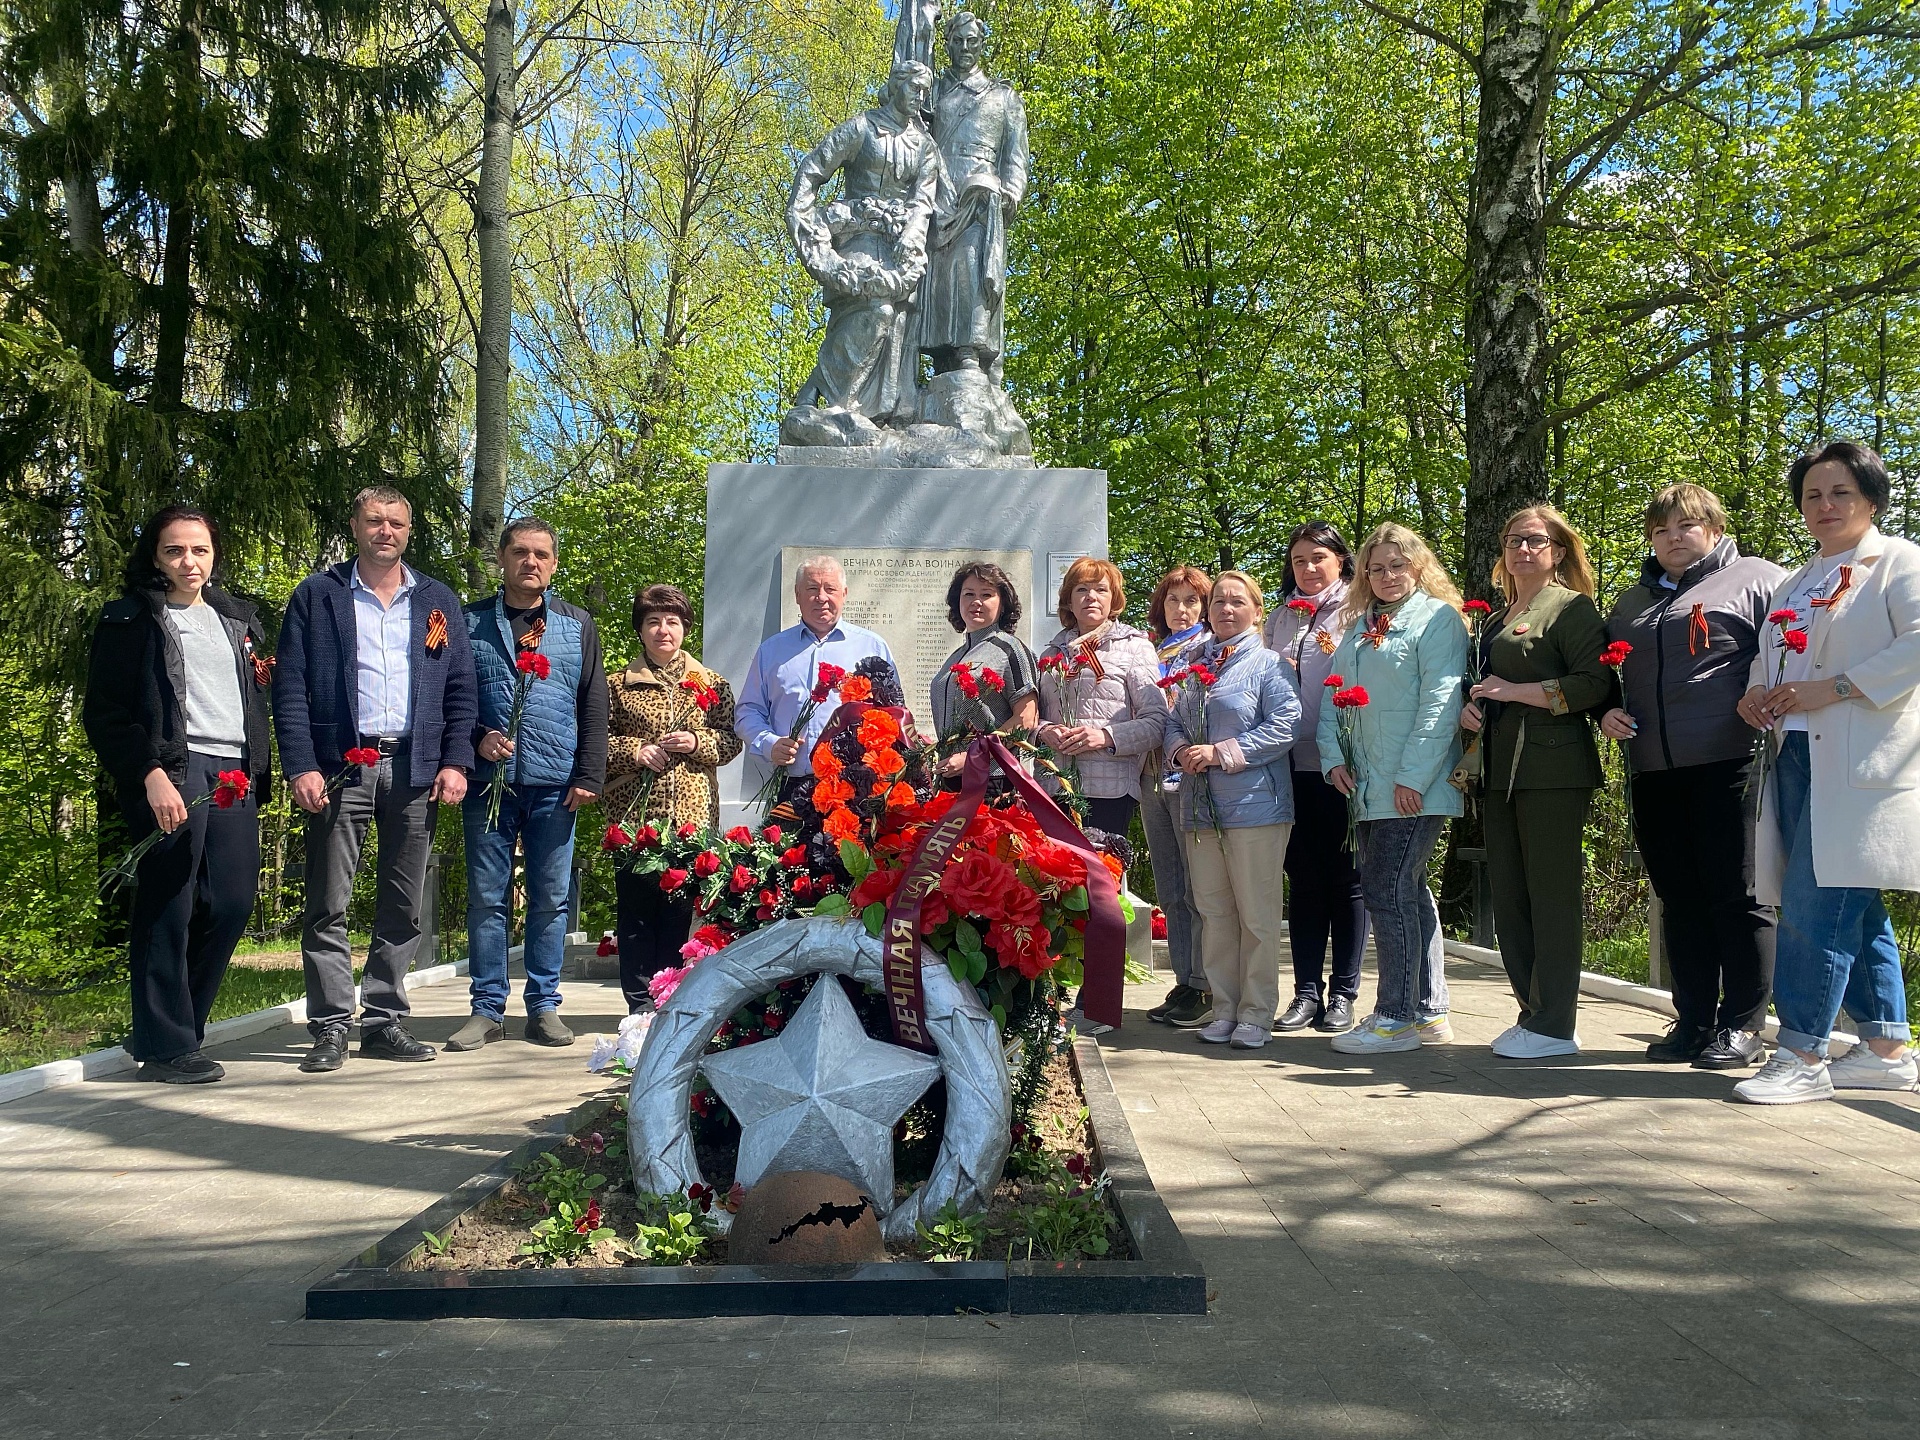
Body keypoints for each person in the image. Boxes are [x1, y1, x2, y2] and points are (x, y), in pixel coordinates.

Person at [1732, 442, 1920, 1104]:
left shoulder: (1899, 562)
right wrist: (1755, 690)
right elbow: (1773, 656)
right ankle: (1887, 1048)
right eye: (1813, 495)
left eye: (1841, 492)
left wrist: (1837, 687)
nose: (1826, 505)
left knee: (1817, 903)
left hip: (1864, 759)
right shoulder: (1796, 580)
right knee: (1852, 902)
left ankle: (1803, 1053)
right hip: (1796, 752)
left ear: (1871, 498)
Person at [274, 486, 478, 1074]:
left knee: (403, 903)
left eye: (396, 522)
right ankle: (331, 1026)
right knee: (328, 902)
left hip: (415, 768)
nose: (385, 531)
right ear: (355, 526)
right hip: (342, 766)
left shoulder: (437, 600)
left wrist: (455, 761)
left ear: (408, 530)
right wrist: (301, 764)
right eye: (374, 521)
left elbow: (460, 689)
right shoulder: (319, 595)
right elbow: (290, 687)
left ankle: (383, 1019)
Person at [82, 507, 273, 1084]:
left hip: (234, 770)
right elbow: (107, 713)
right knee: (170, 901)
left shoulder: (237, 619)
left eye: (200, 551)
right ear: (155, 556)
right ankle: (167, 1046)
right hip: (173, 767)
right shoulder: (132, 618)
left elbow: (261, 694)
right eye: (174, 551)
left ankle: (171, 1029)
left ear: (214, 556)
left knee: (234, 900)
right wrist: (150, 773)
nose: (189, 562)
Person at [1601, 483, 1784, 1069]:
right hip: (1654, 765)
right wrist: (1605, 709)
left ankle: (1743, 1025)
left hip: (1733, 759)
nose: (1672, 539)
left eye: (1684, 526)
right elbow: (1606, 674)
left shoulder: (1758, 578)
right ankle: (1694, 1021)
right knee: (1679, 898)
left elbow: (1786, 656)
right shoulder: (1632, 602)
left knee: (1739, 895)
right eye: (1660, 530)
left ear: (1713, 526)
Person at [448, 518, 608, 1052]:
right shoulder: (467, 621)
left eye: (541, 554)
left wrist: (589, 775)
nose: (530, 563)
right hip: (488, 784)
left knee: (550, 900)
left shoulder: (576, 624)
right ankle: (486, 1009)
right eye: (520, 552)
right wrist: (475, 739)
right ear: (501, 558)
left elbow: (592, 703)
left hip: (555, 785)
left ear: (554, 563)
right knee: (487, 899)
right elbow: (451, 696)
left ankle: (543, 1007)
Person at [1461, 505, 1610, 1059]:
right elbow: (1485, 684)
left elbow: (1595, 683)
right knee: (1512, 894)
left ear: (1558, 552)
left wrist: (1516, 692)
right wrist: (1471, 709)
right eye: (1512, 540)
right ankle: (1532, 1013)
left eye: (1534, 540)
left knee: (1551, 895)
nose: (1522, 549)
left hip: (1552, 768)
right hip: (1500, 769)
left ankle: (1556, 1023)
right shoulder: (1498, 620)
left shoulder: (1572, 610)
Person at [1318, 524, 1468, 1055]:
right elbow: (1333, 697)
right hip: (1366, 784)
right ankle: (1428, 1012)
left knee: (1386, 888)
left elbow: (1441, 702)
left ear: (1419, 567)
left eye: (1397, 566)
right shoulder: (1361, 627)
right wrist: (1334, 759)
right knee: (1406, 890)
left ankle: (1395, 1016)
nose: (1386, 576)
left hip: (1411, 784)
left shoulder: (1439, 620)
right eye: (1375, 568)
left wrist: (1414, 776)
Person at [1163, 571, 1301, 1050]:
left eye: (1237, 601)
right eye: (1218, 601)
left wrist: (1221, 753)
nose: (1225, 609)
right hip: (1201, 809)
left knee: (1256, 917)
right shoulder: (1196, 666)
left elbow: (1286, 725)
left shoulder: (1270, 665)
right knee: (1215, 912)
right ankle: (1224, 1007)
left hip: (1255, 809)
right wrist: (1180, 750)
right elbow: (1173, 722)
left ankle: (1257, 1013)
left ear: (1256, 611)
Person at [1038, 557, 1170, 1036]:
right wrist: (1049, 731)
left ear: (1115, 599)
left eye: (1100, 590)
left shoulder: (1135, 648)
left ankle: (1099, 1005)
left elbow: (1157, 721)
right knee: (1055, 894)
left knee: (1101, 900)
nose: (1090, 598)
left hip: (1110, 790)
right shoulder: (1051, 651)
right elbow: (1037, 717)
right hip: (1056, 790)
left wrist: (1106, 737)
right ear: (1067, 602)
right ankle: (1056, 998)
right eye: (1080, 591)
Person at [605, 584, 742, 1012]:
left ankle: (674, 1001)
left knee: (680, 914)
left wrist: (696, 741)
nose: (663, 630)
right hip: (633, 818)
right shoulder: (616, 686)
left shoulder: (712, 685)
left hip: (691, 818)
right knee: (636, 916)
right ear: (640, 631)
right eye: (653, 622)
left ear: (685, 628)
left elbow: (731, 741)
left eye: (672, 622)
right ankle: (638, 1007)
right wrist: (635, 751)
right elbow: (594, 745)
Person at [1264, 521, 1368, 1034]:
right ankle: (1306, 992)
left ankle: (1345, 993)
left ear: (1342, 561)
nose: (1307, 569)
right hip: (1289, 763)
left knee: (1345, 881)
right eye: (1298, 559)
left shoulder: (1358, 609)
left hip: (1344, 762)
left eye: (1318, 559)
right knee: (1303, 880)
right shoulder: (1280, 615)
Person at [737, 556, 895, 806]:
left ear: (844, 593)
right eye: (812, 589)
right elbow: (748, 711)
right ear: (797, 595)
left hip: (856, 788)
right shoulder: (772, 651)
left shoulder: (872, 647)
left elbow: (893, 712)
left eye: (830, 589)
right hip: (792, 786)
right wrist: (769, 743)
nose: (821, 597)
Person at [1142, 566, 1213, 1028]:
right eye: (1173, 600)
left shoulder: (1207, 648)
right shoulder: (1150, 650)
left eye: (1191, 600)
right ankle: (1184, 978)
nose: (1181, 609)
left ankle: (1206, 983)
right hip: (1151, 772)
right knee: (1169, 885)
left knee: (1196, 885)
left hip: (1191, 774)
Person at [931, 560, 1039, 773]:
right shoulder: (956, 657)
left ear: (1003, 605)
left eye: (986, 595)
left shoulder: (1010, 648)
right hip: (951, 776)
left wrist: (975, 757)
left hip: (993, 779)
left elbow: (1027, 718)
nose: (976, 602)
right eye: (969, 594)